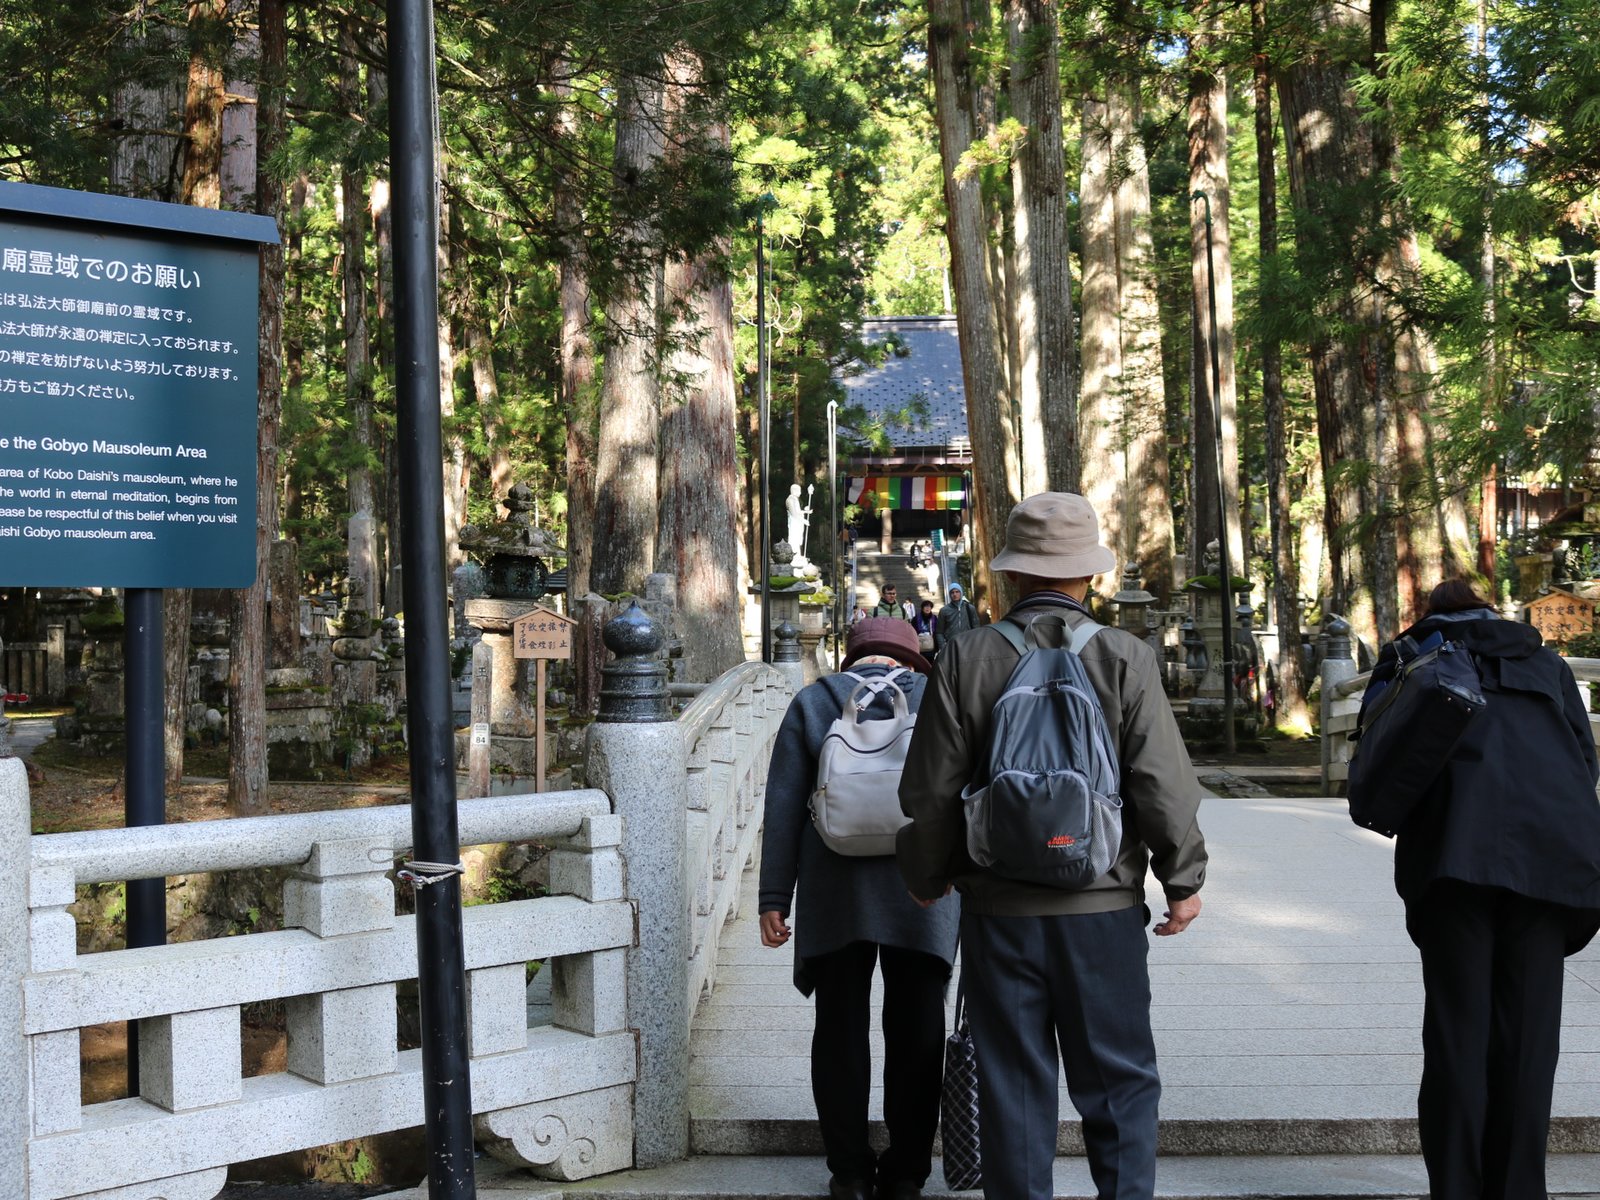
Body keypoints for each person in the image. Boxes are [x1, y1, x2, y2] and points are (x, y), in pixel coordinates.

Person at [896, 491, 1207, 1200]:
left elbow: (930, 793)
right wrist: (1182, 880)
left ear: (1010, 576)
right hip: (1103, 912)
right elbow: (1163, 783)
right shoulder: (1125, 658)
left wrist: (928, 873)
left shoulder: (966, 657)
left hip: (1000, 915)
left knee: (1012, 1086)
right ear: (1088, 575)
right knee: (1121, 1082)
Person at [1368, 578, 1600, 1200]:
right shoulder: (1545, 662)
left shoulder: (1411, 656)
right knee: (1528, 1040)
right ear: (1491, 612)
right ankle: (1520, 1188)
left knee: (1457, 1030)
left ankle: (1456, 1187)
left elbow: (1382, 755)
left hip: (1454, 858)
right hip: (1551, 857)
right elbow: (1584, 758)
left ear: (1430, 614)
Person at [759, 618, 960, 1200]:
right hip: (925, 890)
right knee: (918, 1030)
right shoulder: (938, 698)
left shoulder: (813, 702)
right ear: (909, 657)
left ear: (853, 657)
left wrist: (775, 897)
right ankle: (906, 1173)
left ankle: (848, 1171)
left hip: (833, 889)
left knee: (840, 1029)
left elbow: (785, 806)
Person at [933, 582, 978, 656]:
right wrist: (943, 646)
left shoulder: (970, 608)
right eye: (952, 592)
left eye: (957, 592)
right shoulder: (944, 610)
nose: (955, 594)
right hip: (951, 646)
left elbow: (976, 628)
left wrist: (975, 643)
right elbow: (939, 631)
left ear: (961, 593)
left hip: (968, 645)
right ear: (949, 594)